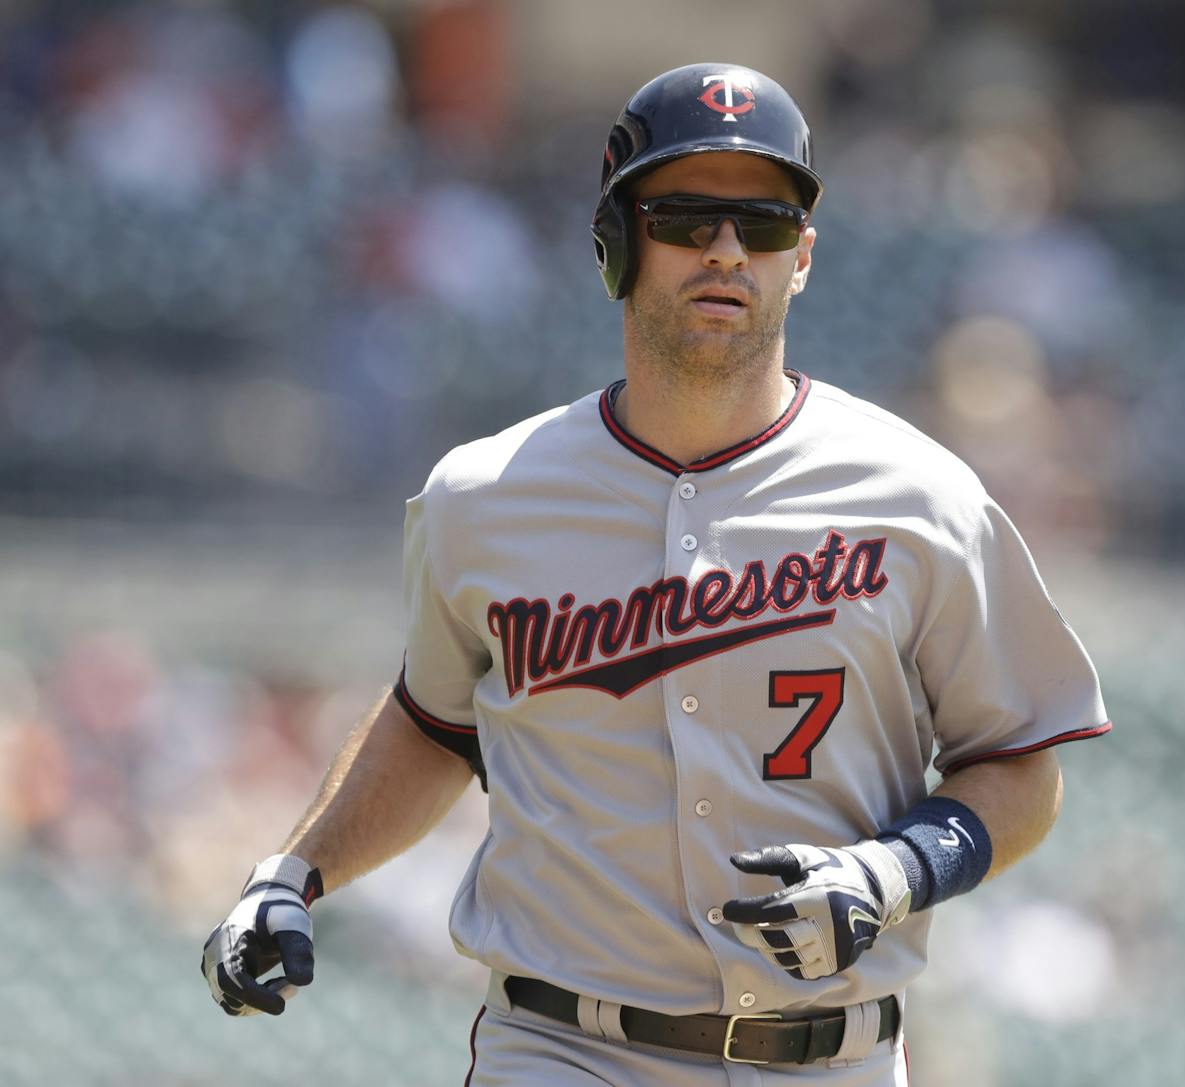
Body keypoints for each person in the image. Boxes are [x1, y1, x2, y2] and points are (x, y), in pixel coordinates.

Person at [202, 63, 1110, 1086]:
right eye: (684, 215)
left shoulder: (918, 495)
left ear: (800, 257)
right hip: (559, 1047)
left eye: (761, 223)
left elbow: (1023, 766)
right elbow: (435, 722)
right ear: (614, 243)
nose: (726, 250)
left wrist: (893, 870)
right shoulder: (488, 493)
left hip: (830, 1058)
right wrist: (296, 870)